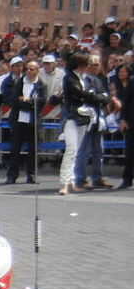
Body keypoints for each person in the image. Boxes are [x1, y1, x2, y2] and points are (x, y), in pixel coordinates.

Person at [59, 52, 106, 195]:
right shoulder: (70, 78)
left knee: (76, 150)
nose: (87, 67)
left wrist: (95, 96)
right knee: (71, 150)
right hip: (72, 116)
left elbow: (85, 93)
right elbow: (81, 94)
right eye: (85, 64)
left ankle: (71, 181)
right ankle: (64, 183)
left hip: (82, 116)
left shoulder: (80, 78)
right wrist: (99, 97)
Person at [74, 55, 114, 190]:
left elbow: (105, 97)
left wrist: (99, 98)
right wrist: (98, 98)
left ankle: (97, 178)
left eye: (98, 65)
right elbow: (86, 97)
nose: (97, 67)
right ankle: (80, 178)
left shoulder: (97, 81)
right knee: (83, 150)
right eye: (94, 65)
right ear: (88, 66)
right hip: (86, 119)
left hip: (98, 118)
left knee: (99, 150)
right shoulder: (81, 80)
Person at [3, 61, 43, 184]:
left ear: (37, 71)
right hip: (18, 121)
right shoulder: (19, 83)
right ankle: (12, 176)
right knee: (15, 150)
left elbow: (41, 102)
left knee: (33, 151)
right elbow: (14, 101)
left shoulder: (41, 85)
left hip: (32, 122)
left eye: (32, 69)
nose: (29, 71)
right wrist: (30, 103)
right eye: (27, 69)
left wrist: (26, 100)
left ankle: (32, 175)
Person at [114, 64, 134, 189]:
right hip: (132, 122)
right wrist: (123, 119)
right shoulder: (132, 81)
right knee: (130, 153)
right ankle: (127, 179)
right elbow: (126, 102)